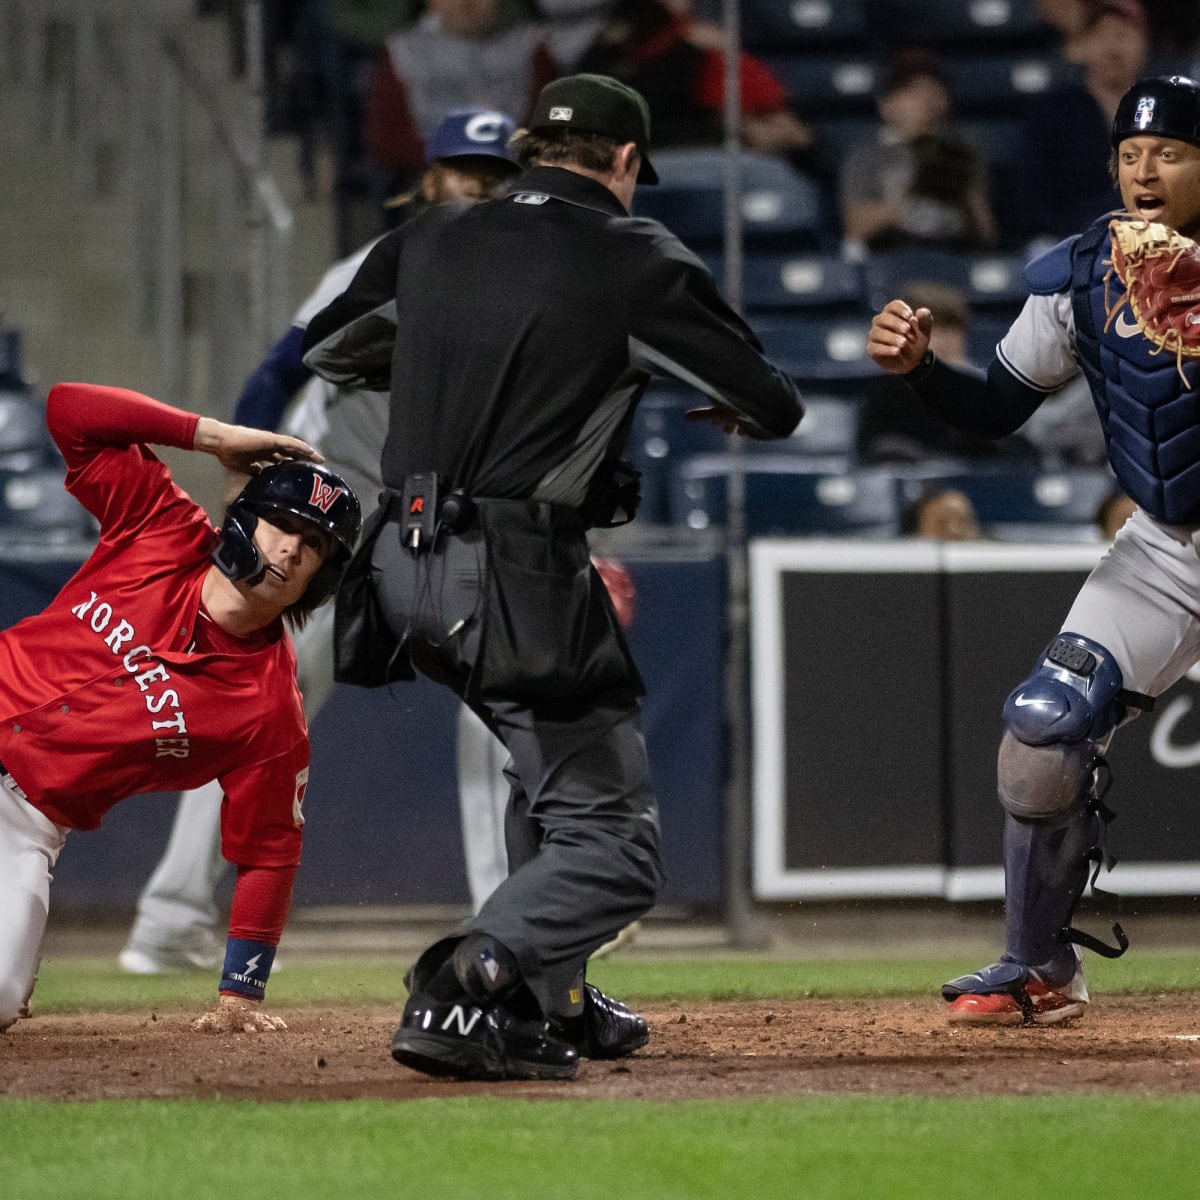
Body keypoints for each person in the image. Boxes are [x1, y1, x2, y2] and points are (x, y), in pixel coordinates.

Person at [302, 72, 804, 1080]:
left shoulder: (430, 235)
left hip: (397, 565)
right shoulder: (632, 252)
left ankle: (551, 999)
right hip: (512, 571)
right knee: (616, 844)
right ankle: (467, 983)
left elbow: (330, 349)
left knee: (551, 781)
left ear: (531, 150)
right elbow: (769, 398)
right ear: (624, 162)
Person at [119, 108, 524, 976]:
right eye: (463, 170)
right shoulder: (373, 269)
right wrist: (244, 478)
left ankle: (504, 921)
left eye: (492, 174)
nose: (477, 187)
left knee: (498, 703)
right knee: (245, 705)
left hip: (431, 525)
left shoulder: (515, 289)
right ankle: (169, 916)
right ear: (429, 178)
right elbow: (279, 370)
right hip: (330, 522)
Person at [865, 74, 1200, 1026]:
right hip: (1167, 549)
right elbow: (995, 409)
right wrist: (922, 369)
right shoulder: (1087, 275)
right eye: (1131, 156)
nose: (1146, 171)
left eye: (1170, 154)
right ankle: (1038, 967)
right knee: (1041, 739)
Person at [0, 381, 361, 1034]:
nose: (289, 549)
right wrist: (213, 436)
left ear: (320, 577)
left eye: (313, 547)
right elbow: (68, 411)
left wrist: (240, 993)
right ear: (246, 517)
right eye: (282, 523)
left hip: (22, 820)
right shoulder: (159, 524)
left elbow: (269, 851)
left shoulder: (268, 711)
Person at [363, 0, 558, 199]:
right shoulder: (403, 53)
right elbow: (386, 143)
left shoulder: (532, 46)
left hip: (516, 187)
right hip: (432, 189)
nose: (465, 3)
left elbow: (552, 134)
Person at [857, 280, 1038, 466]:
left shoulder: (983, 388)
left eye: (954, 328)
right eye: (934, 328)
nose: (946, 340)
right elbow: (885, 450)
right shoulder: (889, 391)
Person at [1017, 0, 1151, 247]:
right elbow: (1034, 198)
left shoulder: (1169, 111)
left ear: (1143, 45)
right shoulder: (1053, 110)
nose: (1113, 48)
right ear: (1082, 47)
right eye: (1102, 36)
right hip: (1071, 239)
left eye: (1123, 36)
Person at [840, 49, 996, 256]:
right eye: (914, 92)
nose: (927, 102)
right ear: (886, 104)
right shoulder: (869, 154)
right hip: (892, 254)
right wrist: (913, 193)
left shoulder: (962, 149)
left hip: (952, 254)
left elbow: (986, 234)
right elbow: (854, 230)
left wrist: (961, 191)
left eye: (935, 92)